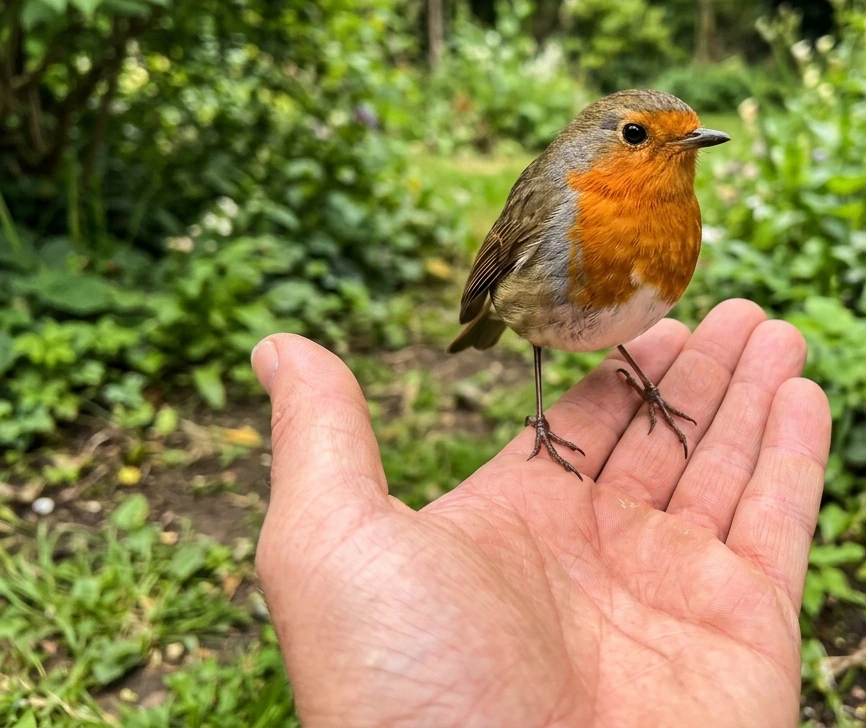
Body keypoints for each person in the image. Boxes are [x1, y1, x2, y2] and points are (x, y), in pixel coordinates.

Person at [250, 299, 831, 727]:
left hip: (630, 289)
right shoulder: (574, 202)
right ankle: (542, 420)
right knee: (540, 337)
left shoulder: (674, 216)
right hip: (542, 295)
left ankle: (645, 384)